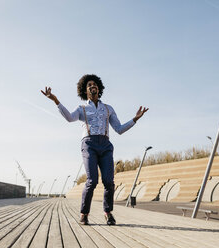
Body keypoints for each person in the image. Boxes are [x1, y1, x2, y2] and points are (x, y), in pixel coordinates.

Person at [41, 74, 148, 225]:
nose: (92, 86)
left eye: (94, 84)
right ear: (85, 91)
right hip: (89, 144)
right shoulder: (82, 108)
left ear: (99, 88)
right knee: (92, 181)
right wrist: (56, 101)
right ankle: (84, 213)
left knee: (109, 181)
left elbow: (119, 129)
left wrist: (135, 119)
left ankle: (108, 212)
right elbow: (70, 118)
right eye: (89, 85)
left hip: (105, 146)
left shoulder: (108, 109)